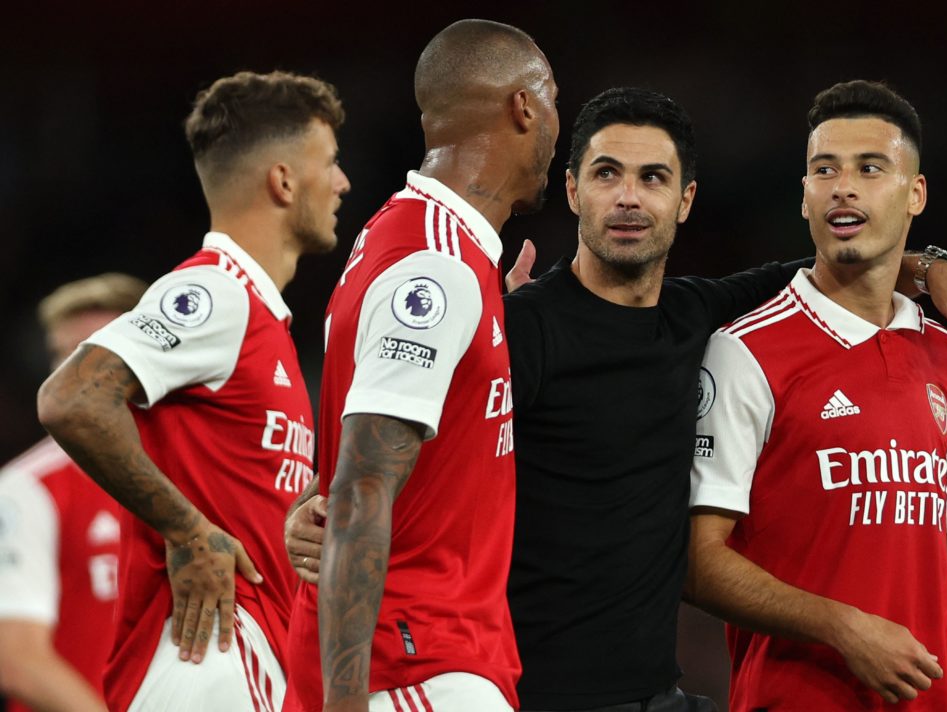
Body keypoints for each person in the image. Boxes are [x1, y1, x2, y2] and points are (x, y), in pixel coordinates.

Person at [285, 87, 947, 711]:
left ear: (684, 199)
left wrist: (929, 266)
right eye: (607, 174)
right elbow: (401, 440)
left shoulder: (701, 318)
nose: (629, 197)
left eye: (653, 177)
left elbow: (836, 266)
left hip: (656, 692)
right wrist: (314, 511)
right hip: (535, 692)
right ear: (572, 191)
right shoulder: (520, 331)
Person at [37, 70, 350, 711]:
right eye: (331, 162)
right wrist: (187, 530)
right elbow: (71, 397)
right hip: (210, 659)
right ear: (284, 180)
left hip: (241, 660)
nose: (343, 182)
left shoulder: (261, 320)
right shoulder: (216, 293)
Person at [685, 80, 947, 710]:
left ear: (916, 194)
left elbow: (946, 547)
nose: (842, 186)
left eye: (870, 168)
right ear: (804, 197)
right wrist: (843, 628)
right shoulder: (745, 353)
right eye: (824, 170)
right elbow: (695, 561)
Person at [281, 19, 558, 712]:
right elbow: (361, 493)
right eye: (554, 101)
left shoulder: (419, 243)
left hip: (426, 660)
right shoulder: (435, 268)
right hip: (414, 668)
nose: (559, 127)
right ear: (523, 107)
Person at [0, 273, 146, 712]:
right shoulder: (27, 489)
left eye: (97, 354)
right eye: (63, 355)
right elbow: (18, 659)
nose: (73, 375)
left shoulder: (197, 476)